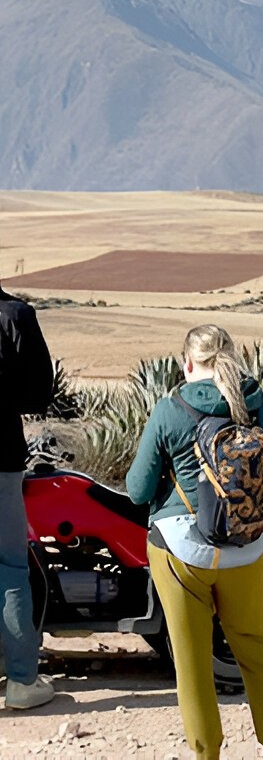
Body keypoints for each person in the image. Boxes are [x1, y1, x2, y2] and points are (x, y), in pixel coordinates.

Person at [126, 324, 263, 759]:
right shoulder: (260, 405)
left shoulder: (170, 409)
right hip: (247, 546)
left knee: (193, 662)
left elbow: (138, 491)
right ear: (232, 359)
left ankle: (206, 754)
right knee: (255, 649)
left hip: (181, 551)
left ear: (187, 364)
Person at [0, 280, 56, 710]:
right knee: (10, 568)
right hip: (1, 457)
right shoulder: (16, 315)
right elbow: (40, 393)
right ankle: (21, 680)